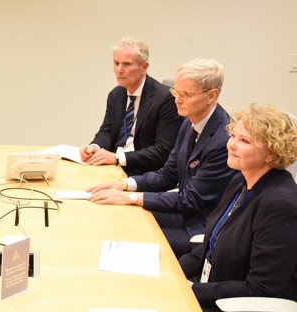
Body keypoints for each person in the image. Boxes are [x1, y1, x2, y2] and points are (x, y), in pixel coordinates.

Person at [88, 58, 238, 258]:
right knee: (119, 220)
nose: (177, 100)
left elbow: (190, 199)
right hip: (185, 213)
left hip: (202, 228)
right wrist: (124, 184)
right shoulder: (189, 122)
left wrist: (132, 197)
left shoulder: (222, 140)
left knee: (130, 239)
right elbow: (168, 174)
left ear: (211, 96)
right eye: (175, 92)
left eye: (185, 94)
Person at [179, 104, 297, 312]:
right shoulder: (240, 181)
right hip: (211, 289)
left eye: (244, 141)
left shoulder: (280, 205)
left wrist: (192, 290)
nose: (230, 145)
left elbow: (261, 288)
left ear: (271, 153)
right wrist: (173, 271)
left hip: (234, 307)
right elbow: (210, 246)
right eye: (233, 136)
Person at [79, 37, 183, 175]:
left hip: (144, 172)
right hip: (114, 168)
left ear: (144, 67)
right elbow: (107, 131)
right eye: (116, 63)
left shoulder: (166, 99)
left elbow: (162, 150)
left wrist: (118, 158)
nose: (119, 70)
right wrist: (95, 147)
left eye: (127, 64)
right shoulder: (116, 95)